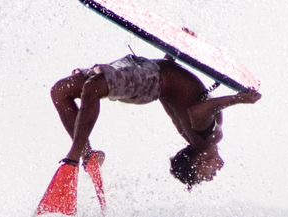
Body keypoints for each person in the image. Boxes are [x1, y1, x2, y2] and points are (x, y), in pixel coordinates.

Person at [49, 54, 261, 188]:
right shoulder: (207, 139)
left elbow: (190, 105)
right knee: (61, 91)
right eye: (205, 177)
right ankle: (81, 155)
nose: (211, 177)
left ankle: (80, 157)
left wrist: (237, 99)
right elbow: (197, 109)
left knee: (90, 88)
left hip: (148, 78)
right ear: (199, 163)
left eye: (205, 178)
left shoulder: (201, 138)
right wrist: (239, 99)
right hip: (151, 76)